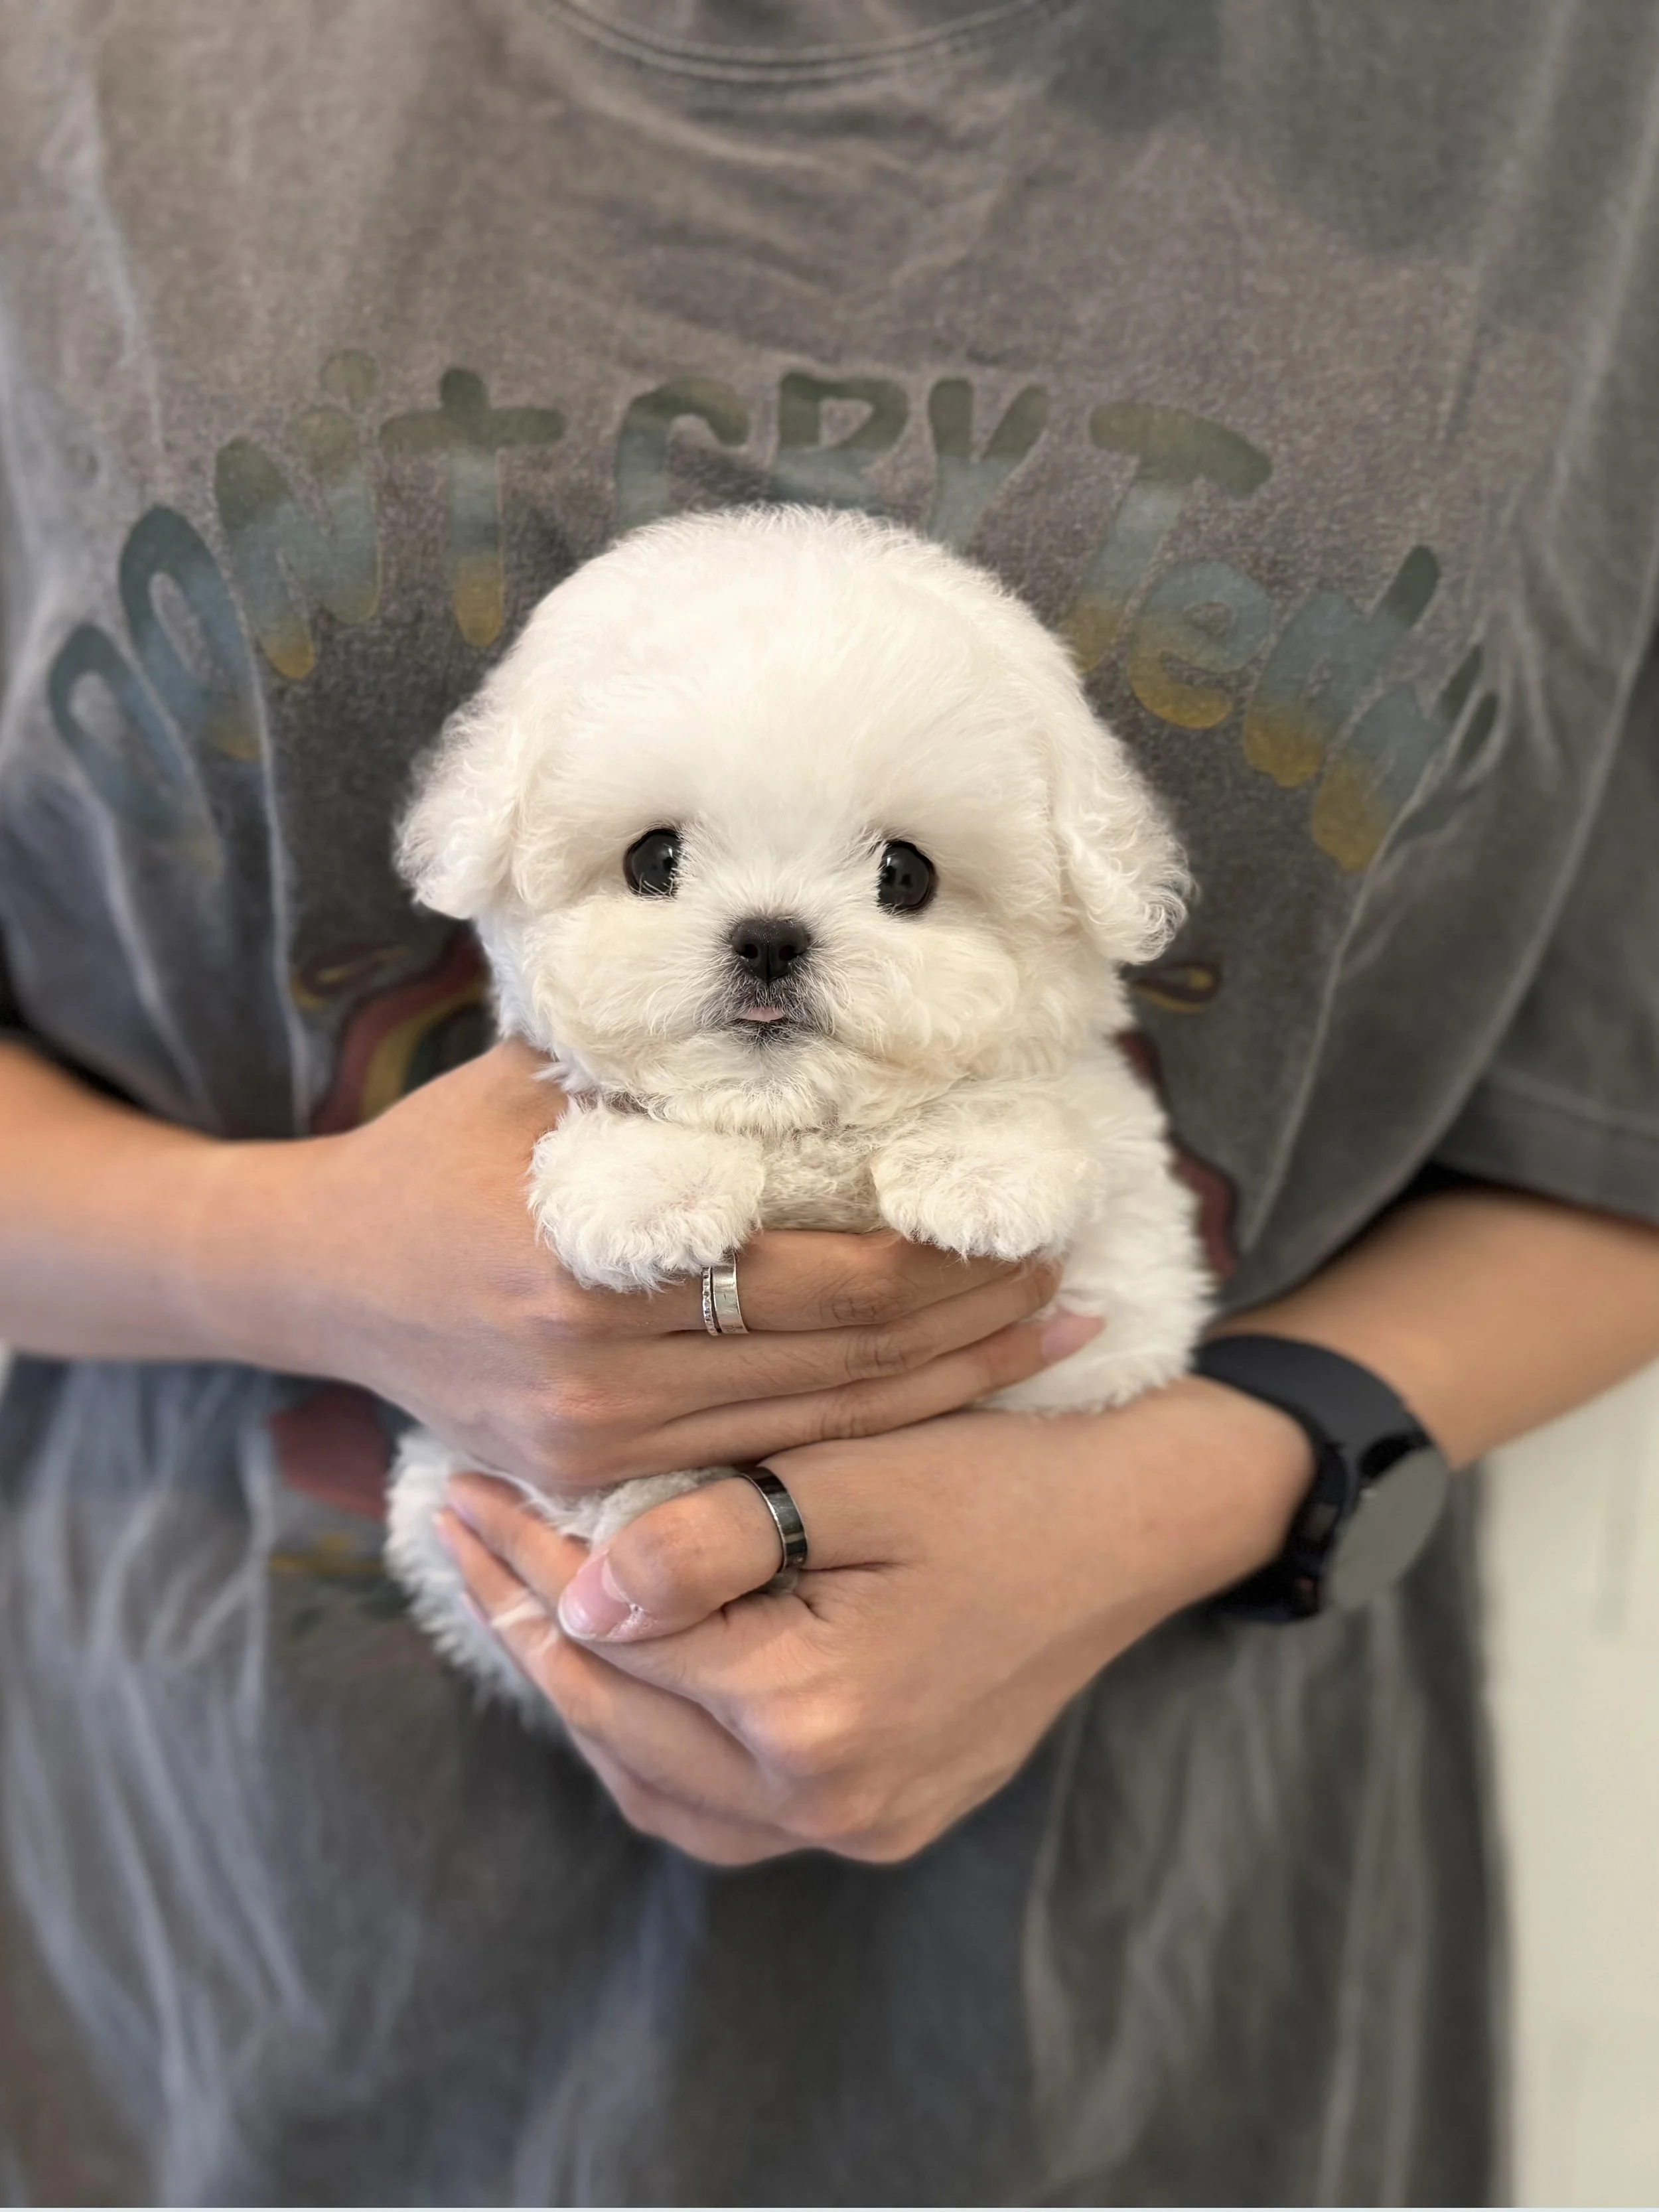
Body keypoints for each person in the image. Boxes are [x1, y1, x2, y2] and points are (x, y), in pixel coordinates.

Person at [2, 3, 1658, 2201]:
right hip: (226, 1959)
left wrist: (1192, 1481)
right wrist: (310, 1258)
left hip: (1139, 2020)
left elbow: (1614, 1119)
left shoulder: (1569, 91)